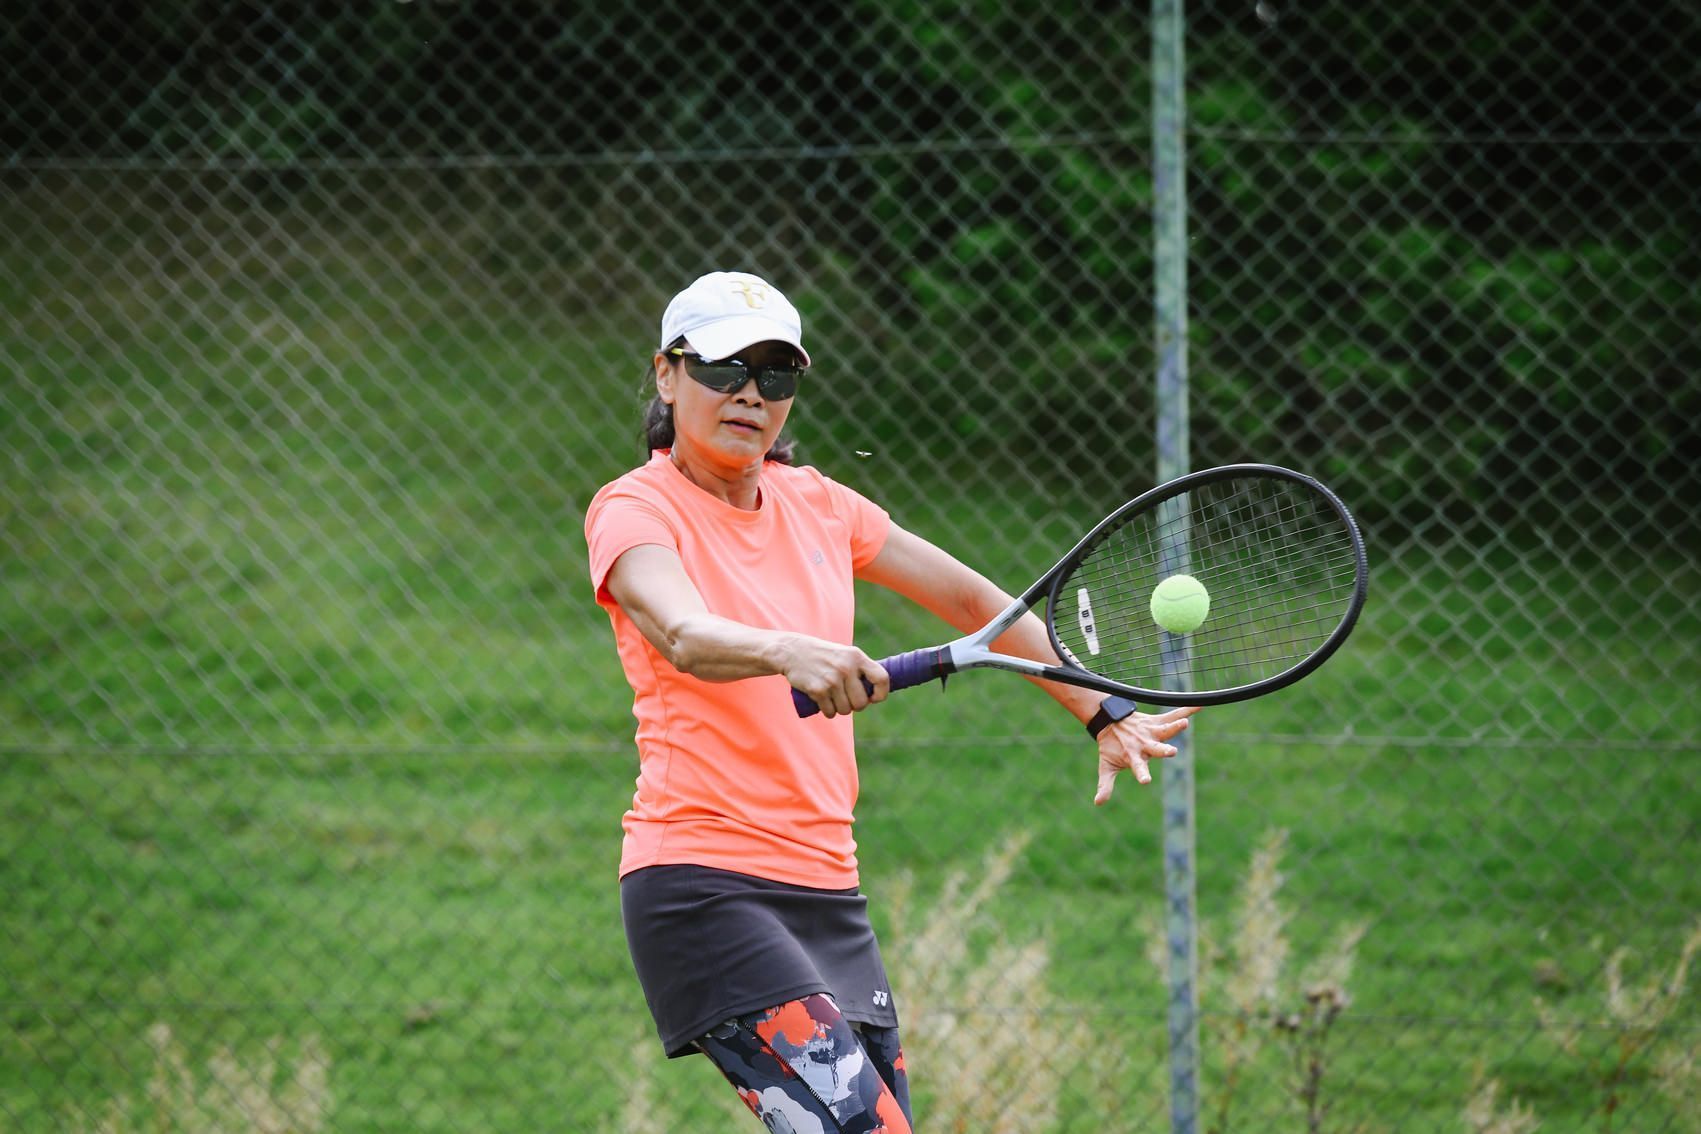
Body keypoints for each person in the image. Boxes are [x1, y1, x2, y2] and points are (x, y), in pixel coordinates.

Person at [584, 270, 1199, 1132]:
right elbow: (682, 632)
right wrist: (786, 650)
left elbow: (973, 603)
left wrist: (1097, 709)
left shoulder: (819, 503)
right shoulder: (632, 509)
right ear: (667, 374)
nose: (750, 395)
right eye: (724, 370)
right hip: (704, 885)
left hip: (828, 889)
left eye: (776, 375)